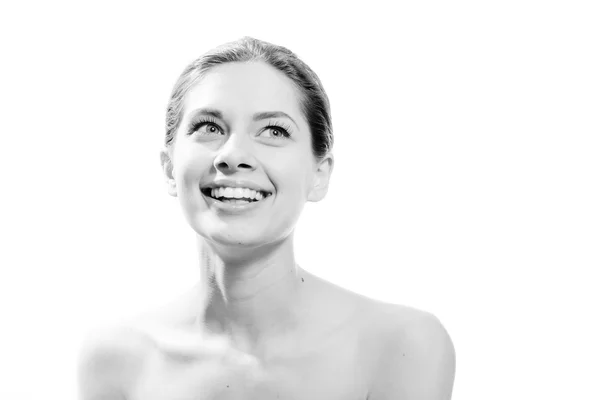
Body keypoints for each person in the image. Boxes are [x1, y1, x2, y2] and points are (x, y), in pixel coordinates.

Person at [77, 36, 456, 400]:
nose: (233, 154)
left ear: (320, 174)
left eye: (273, 130)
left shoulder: (402, 347)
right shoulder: (115, 360)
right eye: (208, 127)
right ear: (168, 169)